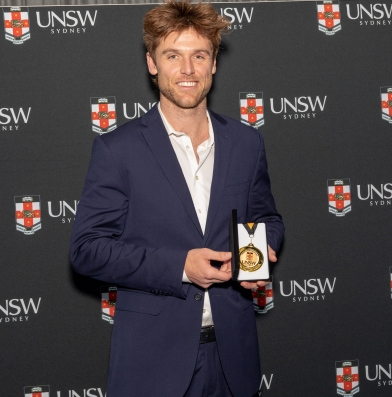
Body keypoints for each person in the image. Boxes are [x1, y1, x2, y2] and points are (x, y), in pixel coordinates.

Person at [69, 1, 284, 396]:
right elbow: (87, 250)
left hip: (232, 359)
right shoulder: (118, 150)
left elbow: (267, 218)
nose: (187, 70)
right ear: (153, 63)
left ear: (214, 63)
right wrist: (181, 266)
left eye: (198, 55)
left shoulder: (245, 142)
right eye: (173, 55)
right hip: (153, 364)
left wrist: (258, 250)